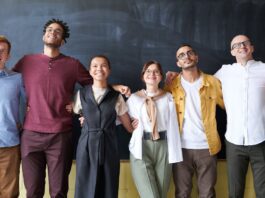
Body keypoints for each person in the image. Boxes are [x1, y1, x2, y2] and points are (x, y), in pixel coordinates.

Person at [13, 19, 129, 198]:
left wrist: (115, 87)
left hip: (60, 135)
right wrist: (17, 118)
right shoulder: (26, 62)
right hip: (30, 135)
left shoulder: (72, 64)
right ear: (44, 34)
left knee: (59, 191)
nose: (53, 32)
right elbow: (8, 86)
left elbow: (95, 84)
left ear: (63, 40)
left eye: (58, 31)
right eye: (50, 29)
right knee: (32, 191)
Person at [165, 44, 224, 198]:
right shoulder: (171, 85)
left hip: (207, 147)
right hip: (180, 147)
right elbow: (156, 104)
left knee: (207, 193)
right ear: (178, 63)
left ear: (196, 57)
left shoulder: (212, 82)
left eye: (190, 53)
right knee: (182, 193)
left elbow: (231, 107)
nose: (187, 56)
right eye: (181, 55)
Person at [73, 55, 134, 198]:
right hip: (86, 145)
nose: (99, 68)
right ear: (89, 71)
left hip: (109, 145)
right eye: (95, 65)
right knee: (85, 185)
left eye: (103, 65)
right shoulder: (81, 94)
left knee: (108, 185)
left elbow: (128, 126)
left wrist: (137, 126)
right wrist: (85, 119)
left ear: (109, 70)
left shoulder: (116, 96)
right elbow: (76, 111)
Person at [215, 35, 265, 198]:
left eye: (245, 43)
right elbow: (200, 84)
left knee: (263, 191)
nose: (241, 46)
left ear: (252, 47)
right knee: (235, 192)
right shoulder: (224, 72)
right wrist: (176, 77)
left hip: (261, 139)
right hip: (234, 141)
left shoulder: (263, 69)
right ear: (232, 52)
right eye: (236, 45)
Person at [127, 60, 183, 198]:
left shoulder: (169, 97)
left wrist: (176, 77)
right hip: (141, 146)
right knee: (150, 195)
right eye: (148, 71)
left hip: (164, 147)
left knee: (161, 193)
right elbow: (117, 115)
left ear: (161, 76)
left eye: (156, 71)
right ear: (142, 76)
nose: (152, 74)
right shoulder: (134, 98)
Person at [0, 35, 25, 198]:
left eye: (2, 51)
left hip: (8, 145)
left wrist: (73, 104)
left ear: (8, 56)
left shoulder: (17, 79)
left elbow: (35, 102)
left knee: (8, 194)